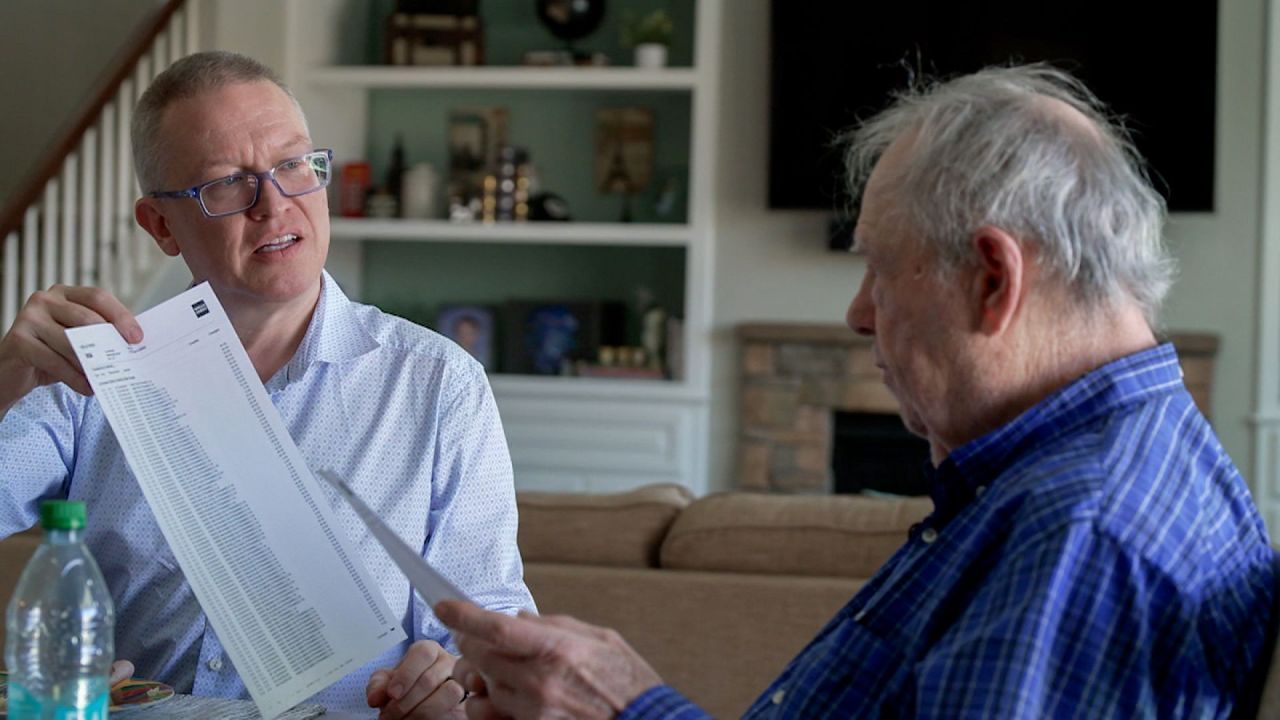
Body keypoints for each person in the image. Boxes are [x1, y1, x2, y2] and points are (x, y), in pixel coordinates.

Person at [435, 64, 1278, 718]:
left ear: (994, 279)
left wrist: (626, 706)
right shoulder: (1074, 474)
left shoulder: (1081, 534)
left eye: (879, 267)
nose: (858, 314)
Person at [0, 50, 534, 718]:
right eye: (227, 183)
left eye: (293, 166)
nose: (275, 205)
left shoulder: (436, 382)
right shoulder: (85, 377)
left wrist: (456, 678)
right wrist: (3, 385)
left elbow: (488, 622)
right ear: (161, 226)